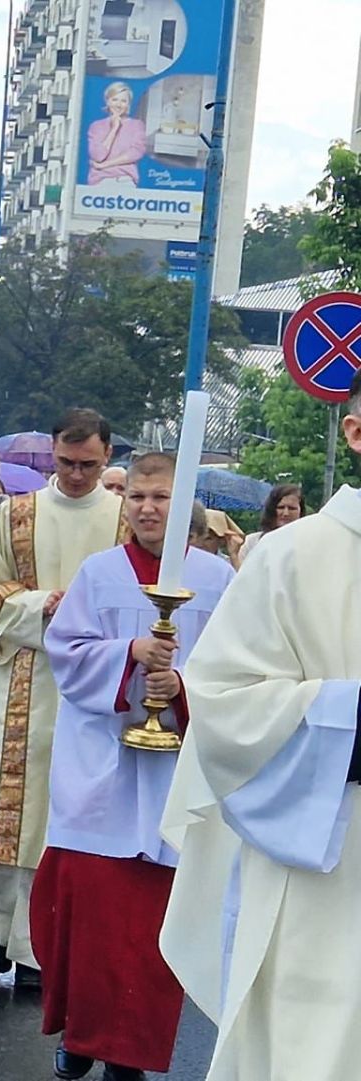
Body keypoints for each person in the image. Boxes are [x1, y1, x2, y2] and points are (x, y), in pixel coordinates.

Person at [159, 389, 361, 1081]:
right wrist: (347, 718)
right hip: (327, 860)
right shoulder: (293, 553)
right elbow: (224, 700)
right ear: (357, 431)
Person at [31, 453, 232, 1081]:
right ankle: (83, 1036)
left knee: (153, 925)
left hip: (176, 773)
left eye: (162, 498)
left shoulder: (219, 579)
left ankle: (130, 1051)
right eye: (139, 496)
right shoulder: (99, 574)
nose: (147, 508)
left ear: (184, 505)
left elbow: (237, 670)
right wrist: (131, 654)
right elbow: (66, 654)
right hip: (102, 770)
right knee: (90, 917)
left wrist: (182, 688)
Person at [0, 408, 124, 990]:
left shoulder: (124, 519)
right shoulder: (17, 514)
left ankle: (43, 949)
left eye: (88, 465)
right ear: (51, 452)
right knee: (11, 818)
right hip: (29, 675)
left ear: (107, 456)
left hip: (94, 686)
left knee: (65, 821)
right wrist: (45, 603)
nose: (75, 475)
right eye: (66, 463)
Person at [85, 82, 148, 186]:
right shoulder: (96, 126)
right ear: (107, 101)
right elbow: (98, 156)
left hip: (124, 180)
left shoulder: (137, 125)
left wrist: (104, 165)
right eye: (114, 99)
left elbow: (135, 153)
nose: (118, 104)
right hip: (99, 181)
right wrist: (114, 129)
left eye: (123, 101)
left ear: (128, 104)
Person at [234, 481, 303, 568]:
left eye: (292, 508)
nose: (286, 513)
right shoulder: (252, 542)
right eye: (281, 507)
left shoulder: (309, 543)